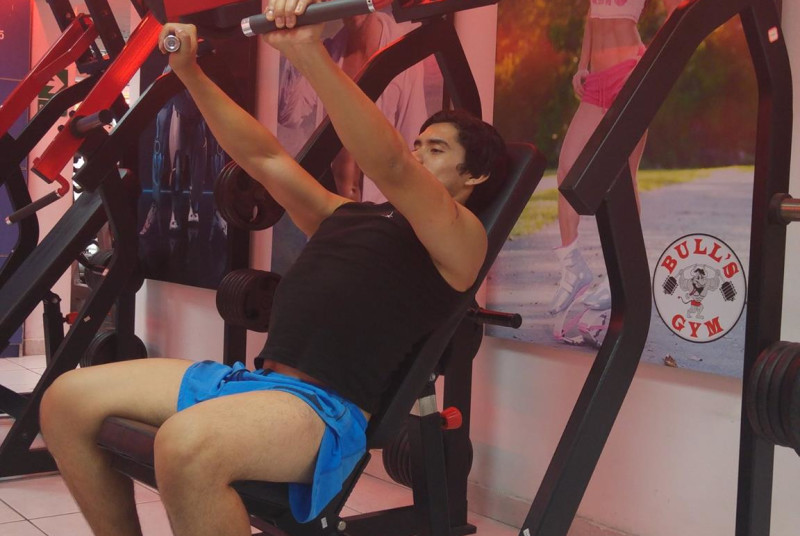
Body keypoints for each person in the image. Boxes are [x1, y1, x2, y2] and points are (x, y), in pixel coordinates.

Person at [38, 3, 509, 535]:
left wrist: (307, 52)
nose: (418, 154)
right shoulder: (345, 214)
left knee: (186, 447)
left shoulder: (463, 240)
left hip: (322, 410)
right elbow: (264, 158)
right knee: (66, 402)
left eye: (436, 149)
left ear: (475, 176)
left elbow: (392, 165)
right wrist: (189, 73)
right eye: (418, 143)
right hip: (253, 383)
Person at [549, 0, 680, 317]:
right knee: (567, 170)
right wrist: (582, 65)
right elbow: (592, 15)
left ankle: (618, 274)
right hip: (596, 81)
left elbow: (677, 14)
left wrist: (650, 68)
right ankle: (572, 266)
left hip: (630, 73)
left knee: (624, 176)